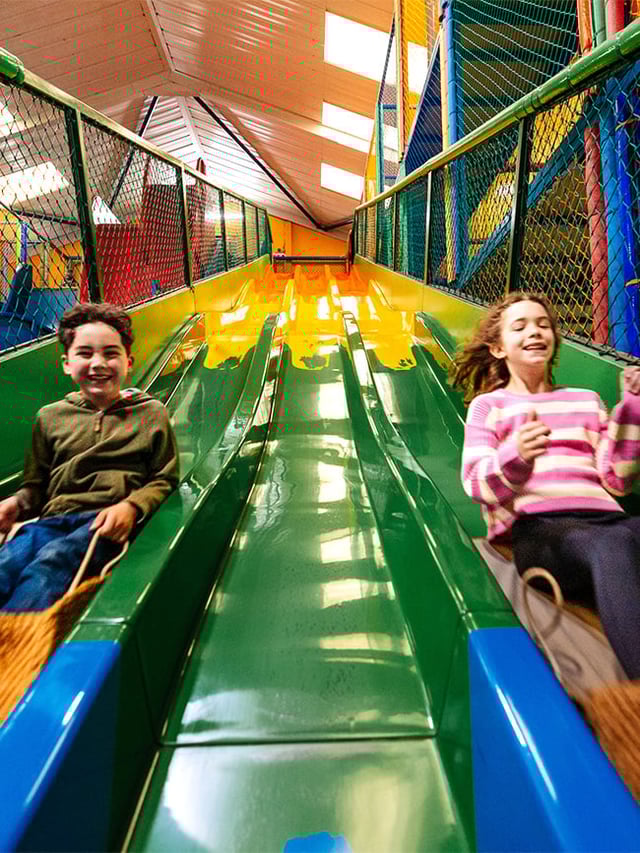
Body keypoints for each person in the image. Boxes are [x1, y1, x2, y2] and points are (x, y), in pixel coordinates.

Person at [451, 291, 640, 679]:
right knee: (612, 545)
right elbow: (474, 482)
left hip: (607, 519)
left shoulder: (585, 401)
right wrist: (516, 456)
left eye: (542, 324)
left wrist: (632, 407)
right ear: (498, 348)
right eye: (519, 326)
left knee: (619, 538)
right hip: (539, 531)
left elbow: (617, 479)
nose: (534, 331)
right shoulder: (490, 407)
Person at [0, 303, 179, 611]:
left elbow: (164, 478)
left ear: (128, 362)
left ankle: (17, 637)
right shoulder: (50, 417)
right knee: (9, 561)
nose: (98, 363)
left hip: (103, 525)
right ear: (67, 364)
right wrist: (16, 504)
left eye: (110, 353)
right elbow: (36, 486)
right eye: (85, 354)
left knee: (50, 565)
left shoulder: (150, 414)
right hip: (52, 521)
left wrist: (130, 506)